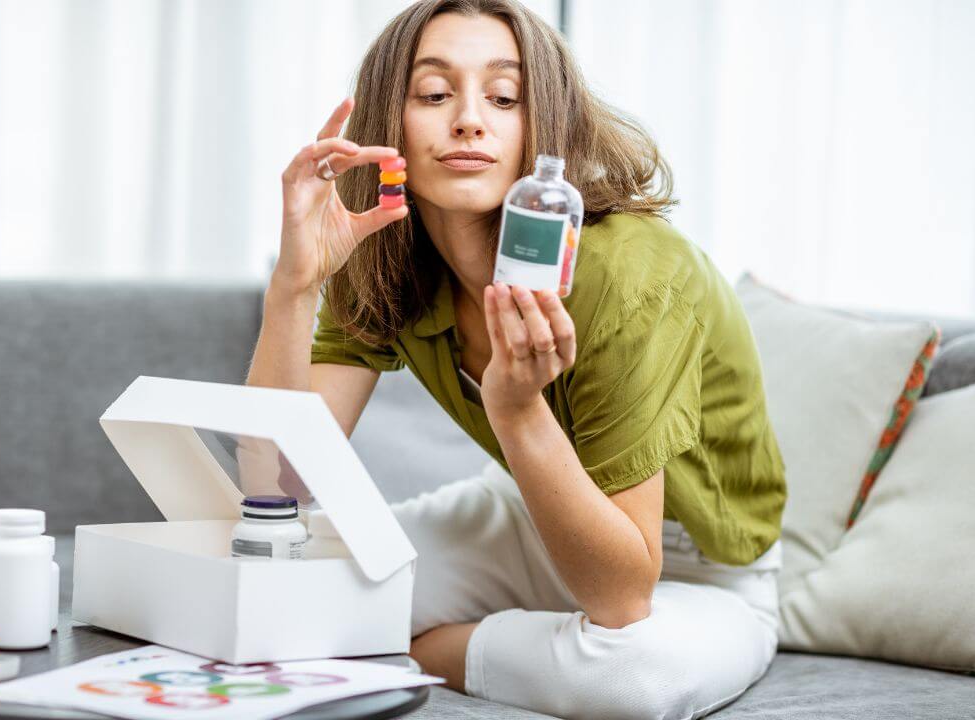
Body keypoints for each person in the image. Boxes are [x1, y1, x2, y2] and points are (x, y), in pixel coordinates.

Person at [244, 1, 787, 718]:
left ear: (546, 126)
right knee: (272, 584)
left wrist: (516, 406)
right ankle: (502, 644)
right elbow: (275, 489)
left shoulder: (635, 274)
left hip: (697, 568)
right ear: (387, 123)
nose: (470, 119)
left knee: (633, 677)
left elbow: (624, 595)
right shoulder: (383, 252)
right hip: (528, 516)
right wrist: (294, 286)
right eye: (435, 95)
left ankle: (408, 652)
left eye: (504, 98)